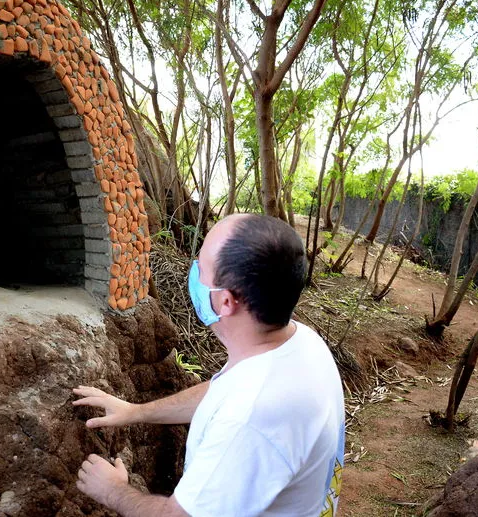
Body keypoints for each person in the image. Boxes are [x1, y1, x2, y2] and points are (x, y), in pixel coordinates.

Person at [74, 213, 345, 516]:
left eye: (200, 268)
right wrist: (134, 412)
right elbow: (222, 392)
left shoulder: (251, 418)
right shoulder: (301, 342)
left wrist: (112, 490)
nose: (193, 273)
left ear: (226, 301)